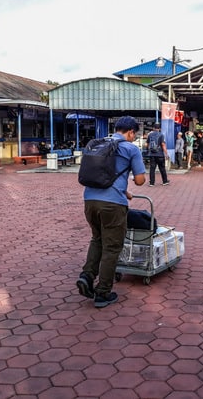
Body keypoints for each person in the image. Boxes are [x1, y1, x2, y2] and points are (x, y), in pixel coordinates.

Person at [76, 116, 146, 308]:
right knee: (112, 247)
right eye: (135, 134)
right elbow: (140, 180)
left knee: (97, 239)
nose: (134, 138)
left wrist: (124, 190)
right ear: (131, 132)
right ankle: (102, 293)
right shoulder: (131, 149)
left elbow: (103, 175)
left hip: (90, 200)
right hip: (113, 205)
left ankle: (87, 276)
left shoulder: (99, 144)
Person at [146, 122, 169, 186]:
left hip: (152, 154)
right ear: (159, 128)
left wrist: (149, 151)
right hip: (160, 154)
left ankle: (152, 183)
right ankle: (165, 181)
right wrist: (166, 153)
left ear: (153, 128)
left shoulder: (150, 135)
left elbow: (147, 144)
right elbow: (163, 144)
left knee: (152, 169)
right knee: (162, 168)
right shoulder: (161, 135)